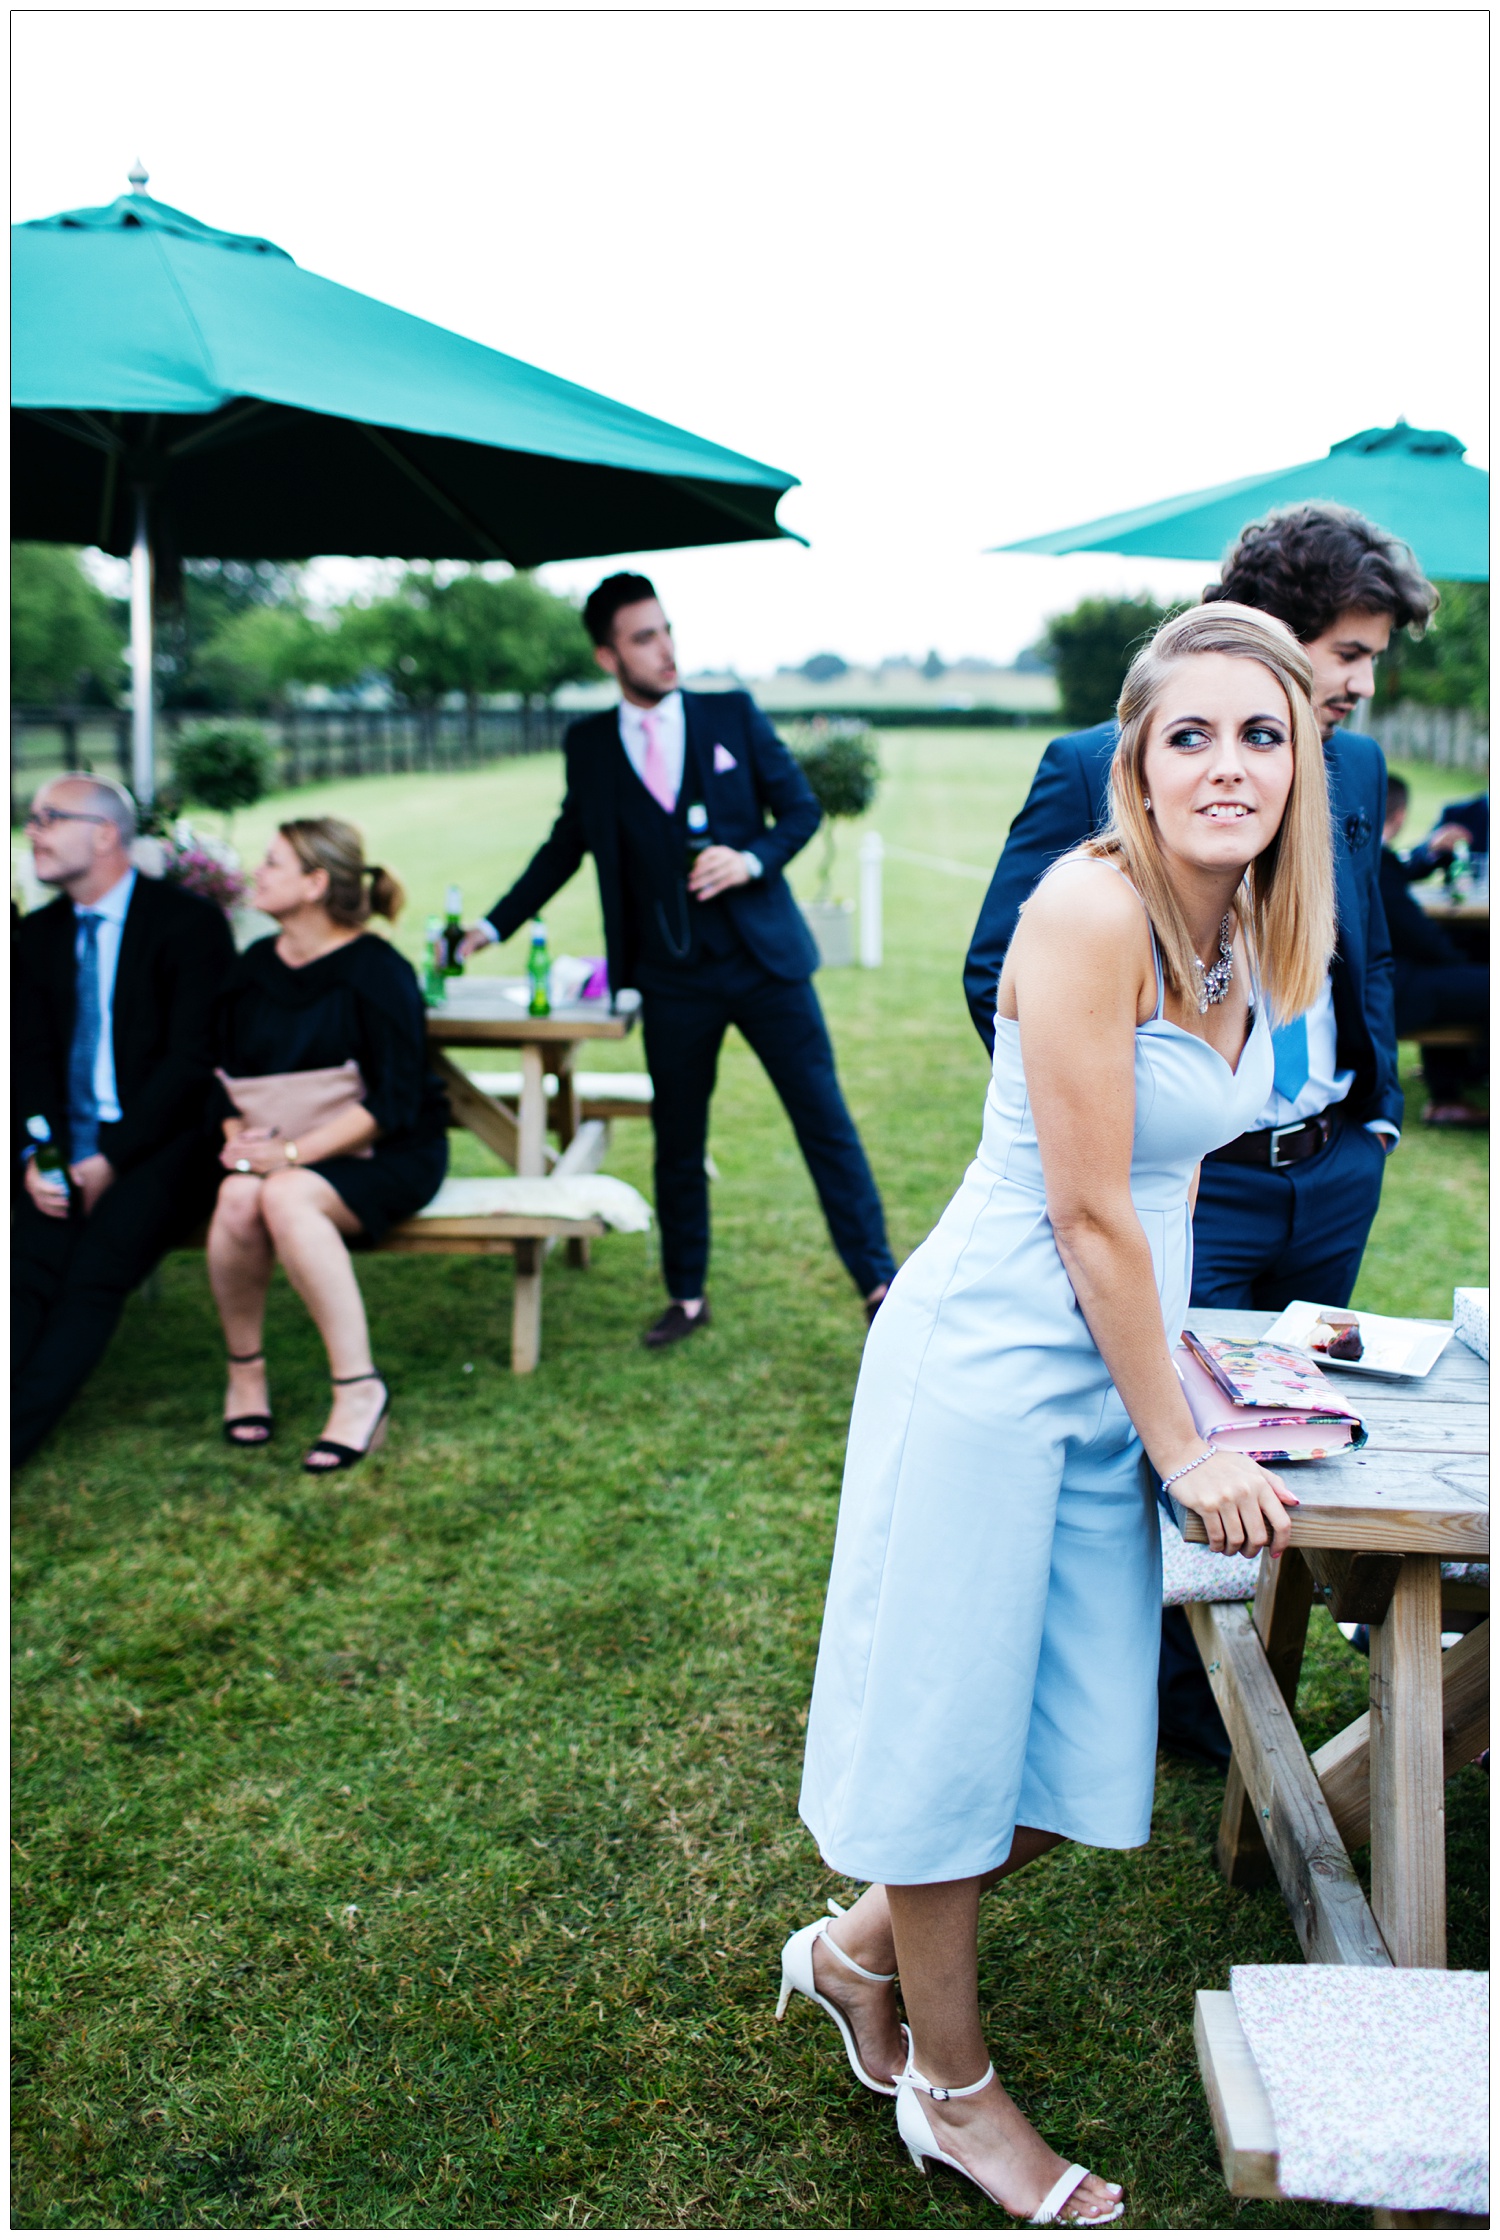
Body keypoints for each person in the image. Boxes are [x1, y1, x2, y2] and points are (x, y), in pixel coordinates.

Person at [787, 606, 1326, 2226]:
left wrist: (1202, 1379)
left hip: (1119, 1353)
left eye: (1263, 734)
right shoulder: (1093, 909)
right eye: (1193, 735)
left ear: (1302, 762)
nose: (1228, 766)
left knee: (1064, 1758)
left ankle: (849, 1950)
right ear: (1136, 762)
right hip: (998, 1367)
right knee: (960, 1751)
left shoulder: (1262, 925)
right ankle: (954, 2097)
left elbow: (1182, 1181)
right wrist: (1190, 1446)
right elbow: (1093, 1213)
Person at [964, 502, 1432, 1764]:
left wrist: (1371, 1118)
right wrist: (1134, 1123)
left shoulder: (1362, 764)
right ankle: (1183, 1714)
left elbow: (1361, 946)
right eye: (1345, 649)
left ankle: (1269, 1663)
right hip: (1190, 1185)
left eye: (1370, 658)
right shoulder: (1088, 767)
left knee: (1289, 1432)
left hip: (1330, 1166)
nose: (1361, 681)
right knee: (1162, 1436)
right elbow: (996, 978)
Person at [457, 573, 896, 1348]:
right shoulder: (589, 746)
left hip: (766, 964)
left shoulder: (731, 714)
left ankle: (878, 1283)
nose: (664, 650)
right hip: (669, 976)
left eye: (665, 631)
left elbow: (798, 811)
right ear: (607, 655)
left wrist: (751, 860)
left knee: (823, 1122)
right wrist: (492, 926)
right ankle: (686, 1295)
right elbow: (565, 846)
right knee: (679, 1138)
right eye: (642, 638)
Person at [208, 819, 448, 1471]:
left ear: (316, 885)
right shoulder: (253, 968)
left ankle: (358, 1389)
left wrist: (287, 1157)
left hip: (388, 1152)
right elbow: (217, 1075)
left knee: (284, 1196)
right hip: (277, 1145)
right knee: (235, 1198)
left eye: (273, 864)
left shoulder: (377, 971)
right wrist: (239, 1141)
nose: (257, 873)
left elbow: (394, 1102)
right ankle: (246, 1372)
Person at [13, 773, 235, 1466]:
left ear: (105, 833)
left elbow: (192, 1061)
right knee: (23, 1264)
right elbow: (26, 1062)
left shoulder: (188, 924)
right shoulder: (34, 936)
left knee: (97, 1268)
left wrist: (109, 1156)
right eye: (32, 818)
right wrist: (36, 1157)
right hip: (63, 1146)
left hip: (165, 1145)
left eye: (50, 817)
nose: (33, 831)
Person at [1379, 774, 1488, 1127]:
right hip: (1391, 987)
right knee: (1466, 979)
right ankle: (1447, 1096)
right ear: (1399, 817)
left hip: (1392, 974)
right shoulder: (1377, 864)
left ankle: (1460, 1075)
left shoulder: (1368, 857)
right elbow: (1421, 939)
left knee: (1462, 974)